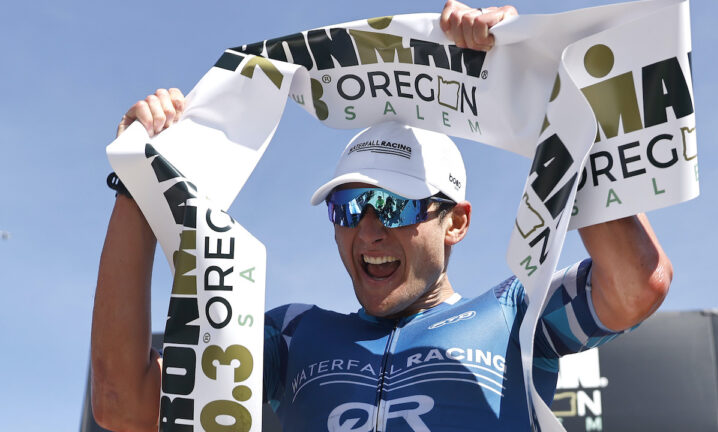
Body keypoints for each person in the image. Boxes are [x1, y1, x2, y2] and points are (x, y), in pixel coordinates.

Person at [90, 1, 673, 431]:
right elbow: (123, 405)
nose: (367, 229)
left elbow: (637, 284)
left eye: (391, 205)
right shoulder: (290, 336)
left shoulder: (517, 314)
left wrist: (546, 94)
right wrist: (137, 182)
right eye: (347, 207)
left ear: (456, 221)